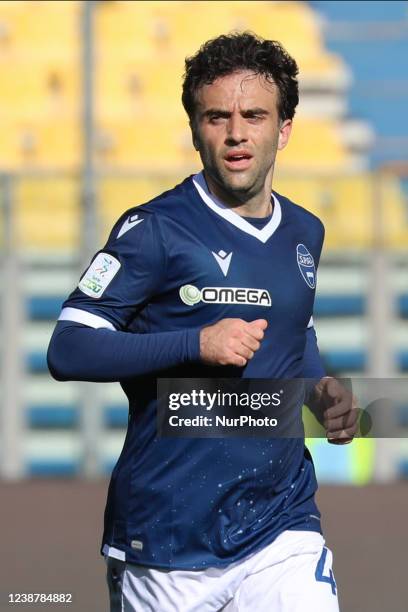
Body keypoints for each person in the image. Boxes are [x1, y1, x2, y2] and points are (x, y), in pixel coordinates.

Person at [48, 32, 358, 612]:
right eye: (217, 116)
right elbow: (67, 349)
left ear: (284, 128)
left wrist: (320, 390)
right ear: (195, 130)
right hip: (166, 538)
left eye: (254, 115)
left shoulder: (305, 232)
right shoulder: (153, 231)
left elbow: (297, 332)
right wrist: (197, 342)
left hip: (281, 524)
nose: (236, 133)